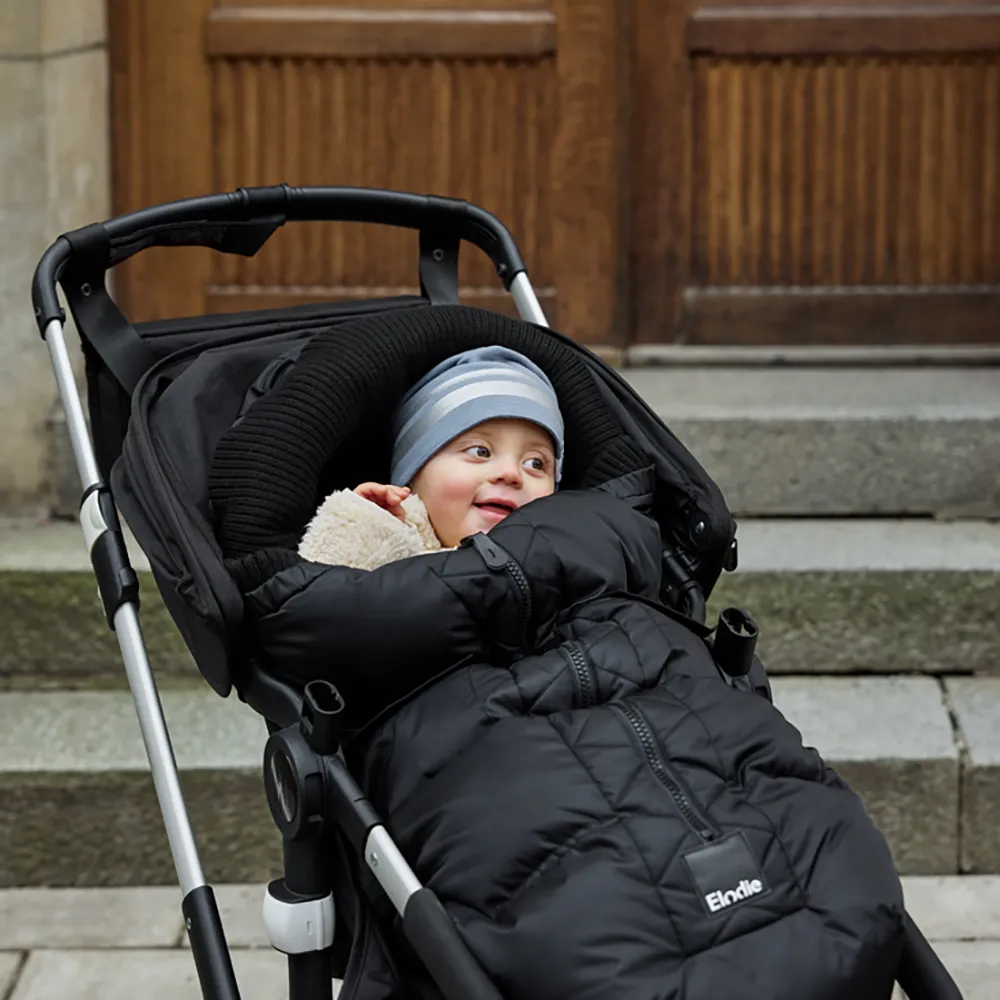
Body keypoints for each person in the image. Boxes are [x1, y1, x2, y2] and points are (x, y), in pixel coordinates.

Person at [298, 346, 565, 568]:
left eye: (535, 463)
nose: (510, 473)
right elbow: (321, 604)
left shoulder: (568, 566)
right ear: (412, 475)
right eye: (480, 452)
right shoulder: (390, 559)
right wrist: (363, 526)